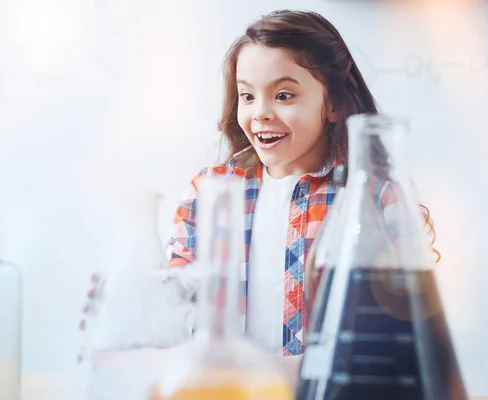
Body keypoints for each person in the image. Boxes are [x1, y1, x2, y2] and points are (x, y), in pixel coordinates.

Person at [82, 8, 438, 380]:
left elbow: (397, 330)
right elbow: (175, 313)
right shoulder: (207, 194)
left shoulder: (372, 198)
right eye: (247, 96)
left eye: (283, 95)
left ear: (332, 103)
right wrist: (126, 301)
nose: (260, 113)